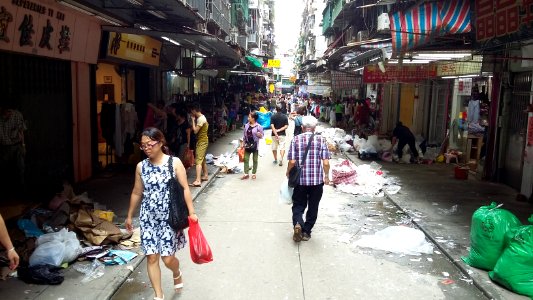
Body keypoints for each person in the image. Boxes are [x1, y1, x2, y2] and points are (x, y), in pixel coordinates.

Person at [125, 127, 198, 300]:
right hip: (148, 218)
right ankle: (159, 295)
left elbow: (185, 188)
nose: (146, 148)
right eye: (143, 146)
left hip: (169, 218)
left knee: (167, 259)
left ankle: (176, 271)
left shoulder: (174, 163)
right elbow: (136, 192)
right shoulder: (141, 167)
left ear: (160, 142)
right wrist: (129, 215)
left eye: (150, 144)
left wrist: (192, 212)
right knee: (151, 258)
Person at [286, 116, 331, 242]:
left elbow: (292, 161)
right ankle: (306, 232)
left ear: (302, 127)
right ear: (314, 128)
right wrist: (326, 176)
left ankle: (298, 223)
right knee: (313, 206)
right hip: (316, 182)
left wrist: (288, 172)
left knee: (298, 205)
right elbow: (326, 163)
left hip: (300, 181)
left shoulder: (296, 139)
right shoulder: (321, 140)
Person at [0, 103, 26, 192]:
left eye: (10, 111)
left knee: (20, 168)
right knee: (4, 170)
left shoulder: (17, 115)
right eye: (7, 112)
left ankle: (21, 191)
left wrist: (23, 146)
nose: (9, 113)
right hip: (4, 147)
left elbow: (21, 132)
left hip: (17, 145)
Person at [189, 103, 209, 187]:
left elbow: (195, 131)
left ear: (194, 110)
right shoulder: (202, 117)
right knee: (202, 159)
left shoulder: (200, 119)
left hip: (202, 141)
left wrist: (193, 120)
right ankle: (205, 175)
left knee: (198, 161)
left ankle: (198, 180)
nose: (191, 113)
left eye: (191, 111)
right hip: (203, 140)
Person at [240, 111, 264, 180]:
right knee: (246, 159)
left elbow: (262, 136)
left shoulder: (259, 126)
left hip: (255, 145)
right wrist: (242, 143)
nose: (248, 118)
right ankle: (246, 174)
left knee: (255, 160)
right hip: (247, 144)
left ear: (253, 118)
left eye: (249, 117)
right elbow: (244, 135)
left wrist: (259, 135)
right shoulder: (246, 125)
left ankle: (254, 173)